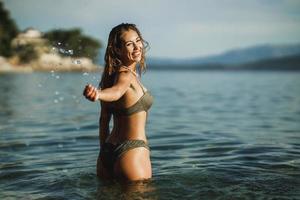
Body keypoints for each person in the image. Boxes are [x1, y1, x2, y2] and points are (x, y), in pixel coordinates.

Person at [83, 23, 153, 181]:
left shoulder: (110, 76)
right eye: (129, 44)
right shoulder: (125, 75)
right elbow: (117, 92)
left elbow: (103, 121)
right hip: (131, 152)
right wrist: (98, 95)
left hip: (107, 152)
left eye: (138, 41)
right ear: (117, 50)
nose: (136, 47)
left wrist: (104, 156)